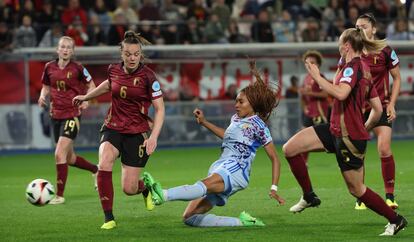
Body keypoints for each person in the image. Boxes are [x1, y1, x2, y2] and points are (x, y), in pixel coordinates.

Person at [282, 28, 408, 236]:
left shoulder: (353, 68)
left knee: (356, 190)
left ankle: (396, 220)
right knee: (290, 149)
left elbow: (341, 93)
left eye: (341, 43)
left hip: (348, 137)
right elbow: (377, 109)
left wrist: (316, 76)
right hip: (335, 130)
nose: (339, 46)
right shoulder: (364, 69)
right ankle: (309, 196)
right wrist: (365, 127)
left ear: (347, 45)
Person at [143, 61, 285, 227]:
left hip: (236, 169)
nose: (236, 105)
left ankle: (163, 195)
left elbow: (275, 158)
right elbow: (227, 136)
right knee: (189, 217)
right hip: (221, 166)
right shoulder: (236, 119)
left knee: (202, 185)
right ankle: (244, 223)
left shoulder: (259, 126)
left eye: (241, 102)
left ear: (252, 104)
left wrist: (274, 188)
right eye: (236, 101)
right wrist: (204, 122)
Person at [72, 31, 165, 230]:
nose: (132, 58)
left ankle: (145, 188)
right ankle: (109, 218)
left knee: (129, 188)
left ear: (140, 55)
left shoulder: (148, 77)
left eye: (136, 54)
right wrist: (86, 97)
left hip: (137, 132)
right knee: (104, 162)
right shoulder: (113, 70)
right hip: (112, 127)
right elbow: (108, 85)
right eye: (128, 54)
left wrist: (154, 137)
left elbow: (160, 109)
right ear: (121, 54)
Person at [37, 36, 98, 205]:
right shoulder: (49, 67)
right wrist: (43, 96)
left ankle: (59, 195)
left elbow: (92, 86)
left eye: (68, 47)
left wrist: (86, 100)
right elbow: (46, 86)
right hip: (55, 115)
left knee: (58, 154)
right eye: (62, 47)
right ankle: (95, 169)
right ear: (57, 49)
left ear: (72, 51)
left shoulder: (78, 68)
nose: (65, 50)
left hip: (72, 115)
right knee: (69, 158)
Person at [354, 13, 402, 210]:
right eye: (356, 26)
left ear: (373, 29)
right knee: (359, 152)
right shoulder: (352, 51)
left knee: (384, 148)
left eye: (363, 26)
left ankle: (389, 196)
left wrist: (391, 103)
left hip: (380, 106)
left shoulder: (385, 50)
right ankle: (360, 196)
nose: (359, 30)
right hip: (358, 109)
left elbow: (397, 78)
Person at [299, 50, 330, 163]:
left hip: (319, 112)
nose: (310, 65)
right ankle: (304, 162)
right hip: (309, 113)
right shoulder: (307, 78)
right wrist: (305, 107)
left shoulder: (320, 77)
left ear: (318, 64)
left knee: (327, 139)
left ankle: (342, 155)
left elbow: (326, 94)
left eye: (313, 62)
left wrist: (309, 93)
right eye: (307, 63)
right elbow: (303, 97)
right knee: (303, 137)